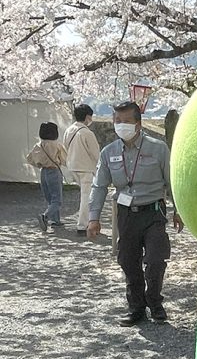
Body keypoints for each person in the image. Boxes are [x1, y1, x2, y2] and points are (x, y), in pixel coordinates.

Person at [87, 101, 183, 325]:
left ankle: (155, 301)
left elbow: (172, 182)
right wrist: (93, 218)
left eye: (127, 121)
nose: (121, 125)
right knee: (128, 261)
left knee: (156, 259)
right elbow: (99, 186)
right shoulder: (108, 152)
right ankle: (136, 307)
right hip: (126, 214)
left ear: (138, 124)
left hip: (153, 212)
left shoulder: (158, 148)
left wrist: (178, 211)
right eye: (117, 121)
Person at [63, 103, 101, 235]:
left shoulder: (69, 130)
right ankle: (82, 225)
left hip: (73, 166)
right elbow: (96, 153)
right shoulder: (86, 132)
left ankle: (86, 223)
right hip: (86, 168)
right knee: (87, 198)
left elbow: (65, 148)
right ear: (87, 117)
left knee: (85, 196)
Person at [26, 122, 68, 230]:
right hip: (54, 171)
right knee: (57, 200)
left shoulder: (38, 145)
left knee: (50, 198)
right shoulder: (56, 145)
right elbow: (65, 160)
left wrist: (39, 164)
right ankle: (45, 216)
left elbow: (29, 159)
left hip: (43, 172)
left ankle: (56, 221)